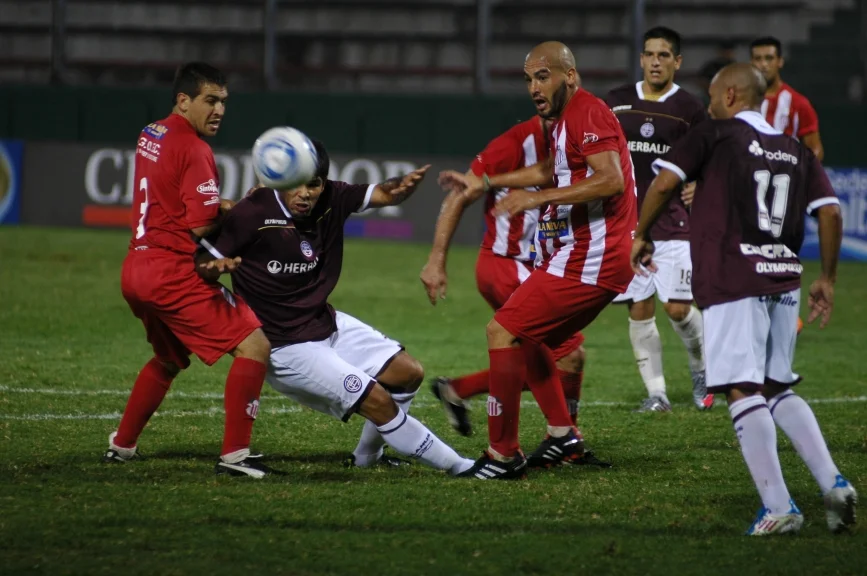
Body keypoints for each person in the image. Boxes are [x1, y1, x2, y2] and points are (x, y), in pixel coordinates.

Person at [631, 62, 857, 535]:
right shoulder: (795, 148)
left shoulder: (715, 134)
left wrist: (640, 233)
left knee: (741, 389)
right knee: (777, 387)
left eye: (713, 97)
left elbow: (665, 182)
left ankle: (779, 507)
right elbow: (831, 211)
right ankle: (833, 482)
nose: (708, 105)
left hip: (735, 279)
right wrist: (829, 279)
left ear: (730, 95)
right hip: (783, 279)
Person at [197, 140, 475, 476]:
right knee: (378, 401)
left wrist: (400, 190)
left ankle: (367, 459)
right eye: (295, 183)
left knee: (408, 373)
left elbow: (384, 194)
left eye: (313, 184)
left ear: (323, 183)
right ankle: (461, 466)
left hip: (323, 322)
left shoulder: (334, 197)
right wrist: (217, 267)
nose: (304, 193)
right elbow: (202, 262)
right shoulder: (253, 211)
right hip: (285, 346)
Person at [439, 41, 637, 479]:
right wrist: (488, 182)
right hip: (578, 253)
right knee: (531, 340)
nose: (533, 86)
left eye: (542, 76)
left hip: (594, 256)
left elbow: (611, 180)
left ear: (570, 74)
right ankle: (562, 435)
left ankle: (502, 455)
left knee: (503, 331)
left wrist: (538, 199)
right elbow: (552, 171)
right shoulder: (562, 122)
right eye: (528, 78)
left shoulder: (588, 112)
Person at [103, 62, 274, 478]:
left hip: (136, 270)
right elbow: (199, 224)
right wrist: (242, 212)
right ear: (184, 100)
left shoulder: (152, 133)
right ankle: (235, 456)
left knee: (168, 357)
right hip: (170, 272)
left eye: (223, 102)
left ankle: (122, 446)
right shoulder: (197, 150)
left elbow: (174, 199)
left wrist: (226, 204)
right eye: (209, 100)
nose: (218, 110)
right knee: (255, 346)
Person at [420, 116, 605, 469]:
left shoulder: (576, 136)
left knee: (531, 356)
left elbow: (548, 173)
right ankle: (565, 439)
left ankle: (458, 390)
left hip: (536, 267)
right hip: (505, 264)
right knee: (567, 355)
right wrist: (436, 259)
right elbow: (463, 192)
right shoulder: (513, 142)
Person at [605, 27, 712, 413]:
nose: (655, 61)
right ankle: (657, 394)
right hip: (626, 223)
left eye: (664, 55)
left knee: (679, 309)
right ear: (641, 59)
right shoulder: (616, 102)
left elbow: (710, 157)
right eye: (649, 54)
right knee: (639, 307)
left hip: (673, 222)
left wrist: (701, 182)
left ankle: (703, 373)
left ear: (677, 62)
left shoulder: (690, 108)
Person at [751, 36, 824, 161]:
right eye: (758, 59)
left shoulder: (799, 103)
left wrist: (799, 173)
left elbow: (815, 150)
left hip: (785, 177)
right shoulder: (741, 101)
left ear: (780, 61)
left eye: (769, 58)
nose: (763, 64)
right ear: (751, 63)